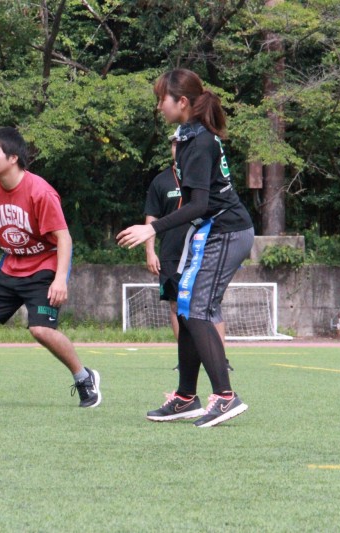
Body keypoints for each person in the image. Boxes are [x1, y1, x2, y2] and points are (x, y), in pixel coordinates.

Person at [117, 69, 253, 427]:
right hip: (211, 232)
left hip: (226, 232)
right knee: (184, 306)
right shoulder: (190, 138)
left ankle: (225, 396)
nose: (158, 106)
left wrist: (151, 229)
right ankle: (185, 397)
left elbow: (198, 205)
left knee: (196, 309)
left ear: (182, 102)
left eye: (161, 99)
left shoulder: (200, 142)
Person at [0, 127, 101, 408]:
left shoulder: (40, 191)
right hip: (11, 266)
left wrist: (60, 279)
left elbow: (64, 237)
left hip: (44, 267)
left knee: (41, 330)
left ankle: (85, 378)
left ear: (13, 158)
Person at [144, 130, 231, 372]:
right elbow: (151, 216)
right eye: (174, 145)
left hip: (202, 248)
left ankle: (220, 359)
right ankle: (186, 359)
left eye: (181, 144)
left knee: (210, 304)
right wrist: (150, 251)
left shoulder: (201, 172)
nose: (178, 149)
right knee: (176, 305)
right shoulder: (160, 181)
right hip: (172, 253)